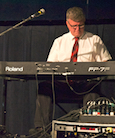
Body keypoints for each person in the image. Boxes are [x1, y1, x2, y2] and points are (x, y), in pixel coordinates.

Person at [30, 7, 112, 135]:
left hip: (84, 86)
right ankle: (41, 131)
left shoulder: (94, 40)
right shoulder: (59, 42)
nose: (77, 30)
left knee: (94, 91)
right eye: (74, 26)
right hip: (63, 84)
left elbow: (107, 65)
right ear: (67, 23)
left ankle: (89, 130)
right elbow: (50, 66)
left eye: (81, 26)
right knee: (44, 87)